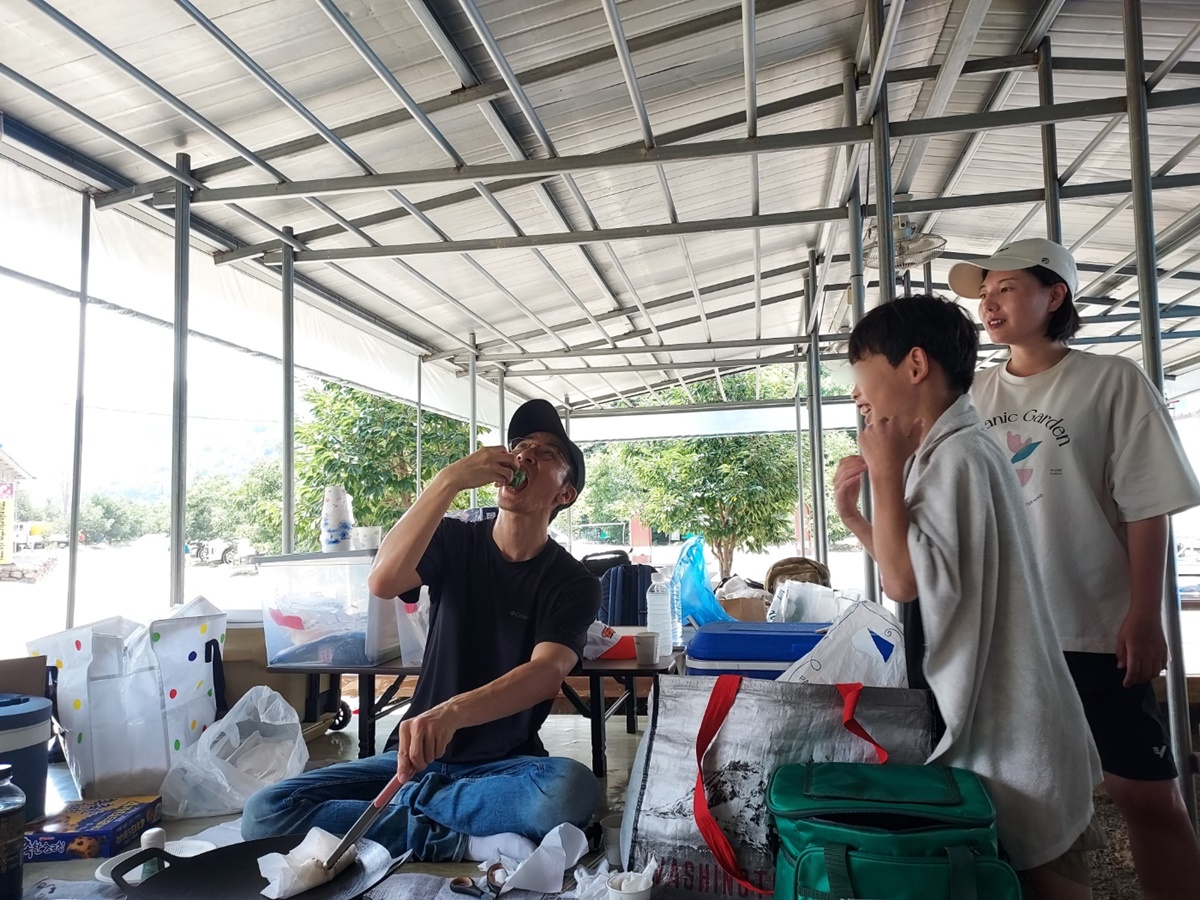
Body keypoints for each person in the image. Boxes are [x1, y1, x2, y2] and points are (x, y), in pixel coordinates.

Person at [242, 399, 602, 862]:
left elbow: (545, 675)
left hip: (503, 767)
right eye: (520, 446)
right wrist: (448, 480)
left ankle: (408, 812)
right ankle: (463, 839)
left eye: (546, 453)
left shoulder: (573, 582)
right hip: (414, 758)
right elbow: (383, 581)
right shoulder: (455, 540)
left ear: (565, 495)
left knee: (570, 791)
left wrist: (450, 713)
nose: (525, 454)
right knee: (265, 812)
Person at [952, 237, 1200, 899]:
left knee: (1143, 793)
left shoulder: (1111, 380)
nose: (989, 303)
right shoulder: (974, 392)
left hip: (1092, 624)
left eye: (1006, 288)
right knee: (1016, 798)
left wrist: (1143, 616)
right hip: (1005, 634)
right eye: (985, 293)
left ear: (1055, 294)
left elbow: (1148, 505)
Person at [832, 294, 1102, 899]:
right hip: (1015, 714)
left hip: (1018, 721)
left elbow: (903, 582)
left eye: (862, 374)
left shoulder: (957, 455)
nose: (857, 395)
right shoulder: (946, 452)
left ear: (915, 365)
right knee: (1022, 865)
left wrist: (884, 471)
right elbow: (916, 564)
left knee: (1044, 872)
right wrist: (855, 518)